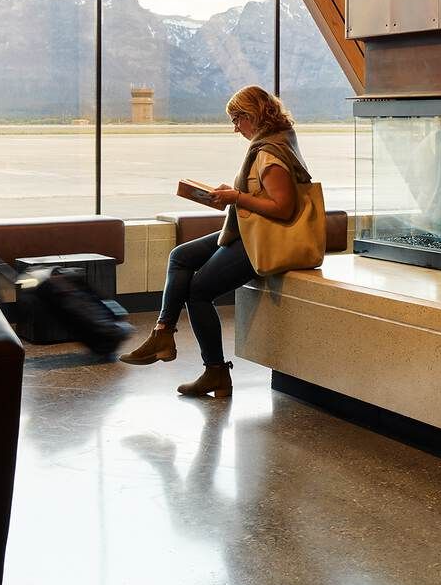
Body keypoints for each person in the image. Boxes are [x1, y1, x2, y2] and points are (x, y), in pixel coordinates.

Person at [121, 84, 308, 399]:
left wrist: (236, 197)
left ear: (254, 115)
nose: (235, 128)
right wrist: (234, 196)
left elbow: (283, 208)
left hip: (262, 240)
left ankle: (215, 372)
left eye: (237, 119)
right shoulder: (275, 141)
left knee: (198, 292)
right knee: (181, 256)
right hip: (249, 230)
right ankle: (163, 333)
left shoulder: (270, 153)